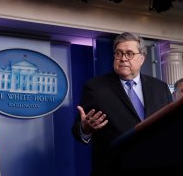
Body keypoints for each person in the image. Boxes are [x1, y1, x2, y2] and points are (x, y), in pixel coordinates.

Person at [72, 32, 173, 176]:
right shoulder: (95, 88)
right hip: (113, 169)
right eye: (119, 53)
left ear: (142, 59)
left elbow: (169, 126)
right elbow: (78, 130)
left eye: (129, 53)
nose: (123, 58)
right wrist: (85, 129)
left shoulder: (160, 88)